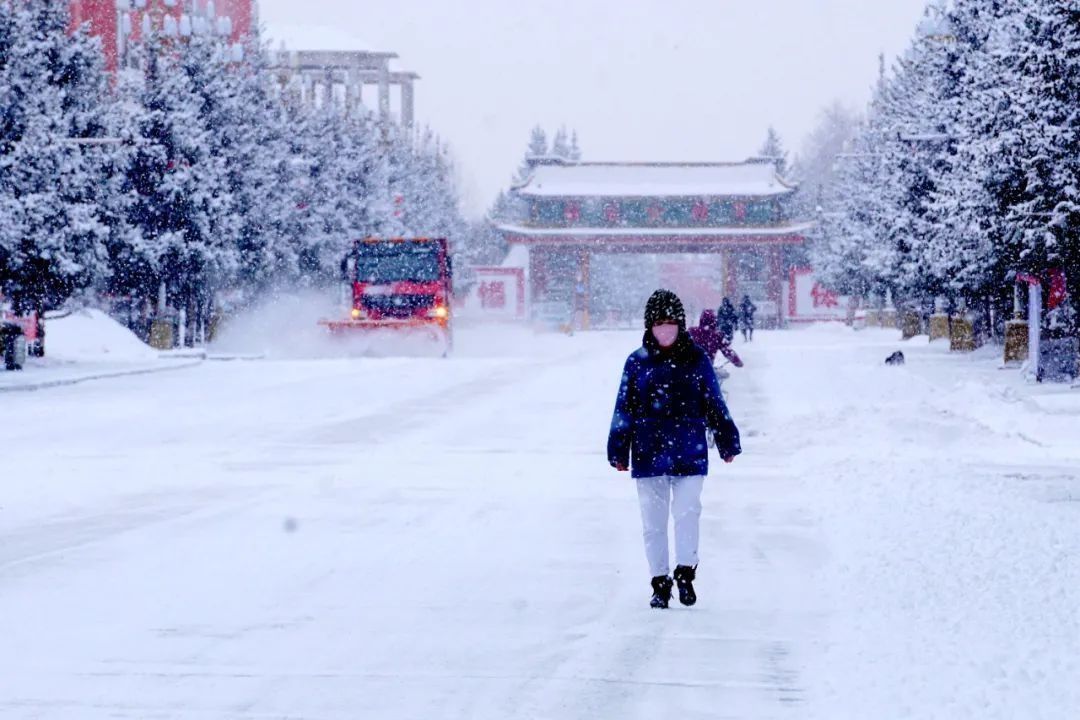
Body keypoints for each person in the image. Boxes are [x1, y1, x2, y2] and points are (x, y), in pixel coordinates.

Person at [608, 290, 742, 609]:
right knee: (653, 523)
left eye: (671, 323)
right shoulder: (636, 362)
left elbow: (713, 402)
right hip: (648, 452)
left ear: (681, 325)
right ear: (649, 326)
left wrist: (726, 439)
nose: (665, 329)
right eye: (659, 323)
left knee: (687, 513)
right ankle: (659, 582)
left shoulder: (696, 360)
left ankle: (685, 574)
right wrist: (618, 448)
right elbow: (623, 408)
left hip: (689, 450)